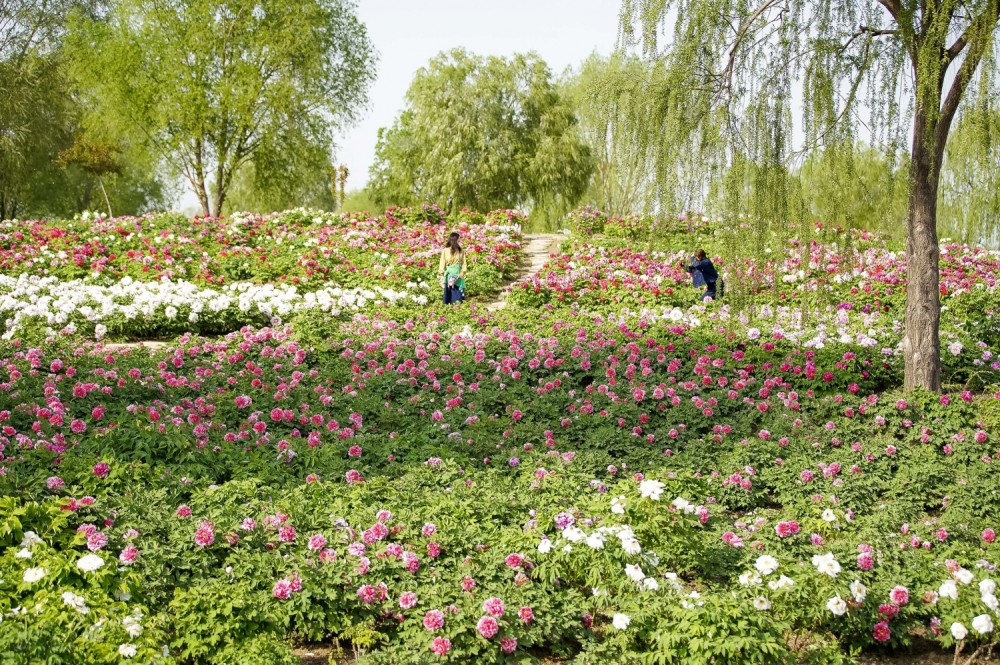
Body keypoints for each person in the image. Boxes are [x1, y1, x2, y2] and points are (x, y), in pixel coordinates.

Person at [438, 232, 468, 305]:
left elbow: (464, 263)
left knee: (456, 295)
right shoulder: (446, 251)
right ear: (456, 240)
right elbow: (442, 262)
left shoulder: (461, 251)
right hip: (451, 275)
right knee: (453, 295)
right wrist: (441, 275)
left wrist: (462, 273)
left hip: (458, 276)